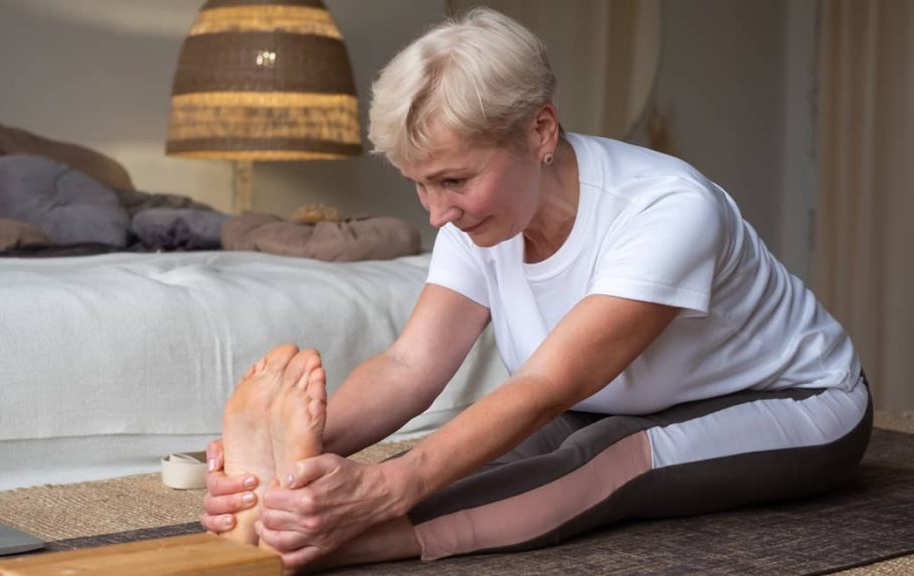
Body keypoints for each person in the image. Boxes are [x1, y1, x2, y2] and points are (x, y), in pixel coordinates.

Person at [202, 7, 871, 572]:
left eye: (455, 181)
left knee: (602, 460)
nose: (437, 214)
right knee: (464, 459)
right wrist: (292, 461)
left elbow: (550, 386)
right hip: (618, 404)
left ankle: (359, 545)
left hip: (796, 402)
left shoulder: (667, 209)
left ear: (540, 131)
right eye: (421, 184)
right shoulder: (477, 224)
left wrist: (383, 493)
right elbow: (411, 366)